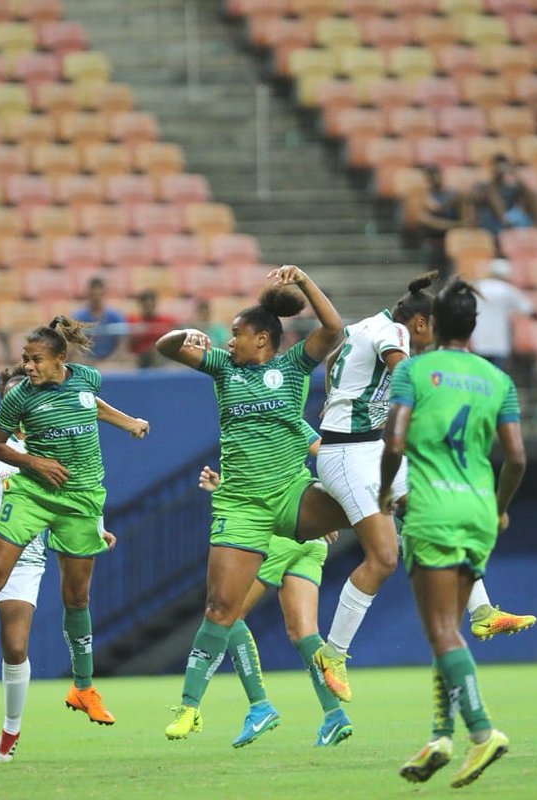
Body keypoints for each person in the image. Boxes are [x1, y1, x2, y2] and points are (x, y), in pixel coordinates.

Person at [0, 317, 150, 758]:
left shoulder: (86, 377)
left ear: (61, 359)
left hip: (82, 497)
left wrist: (129, 422)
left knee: (77, 597)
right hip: (34, 493)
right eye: (24, 359)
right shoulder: (20, 396)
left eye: (36, 359)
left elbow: (91, 403)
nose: (28, 366)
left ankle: (84, 688)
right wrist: (37, 464)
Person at [311, 272, 536, 704]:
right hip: (349, 455)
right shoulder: (393, 331)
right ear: (419, 323)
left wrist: (343, 401)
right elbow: (401, 370)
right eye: (430, 330)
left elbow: (334, 362)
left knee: (432, 507)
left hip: (366, 445)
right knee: (384, 557)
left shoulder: (363, 328)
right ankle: (332, 654)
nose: (430, 339)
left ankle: (483, 611)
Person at [155, 265, 348, 740]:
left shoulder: (293, 366)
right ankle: (189, 708)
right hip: (241, 504)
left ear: (263, 339)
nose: (229, 341)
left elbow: (335, 329)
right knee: (222, 608)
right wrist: (186, 333)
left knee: (369, 509)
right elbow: (166, 347)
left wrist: (303, 281)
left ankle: (320, 677)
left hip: (289, 496)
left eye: (237, 334)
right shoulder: (223, 367)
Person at [378, 279, 527, 788]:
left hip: (433, 510)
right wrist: (502, 508)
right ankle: (440, 735)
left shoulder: (416, 370)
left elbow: (393, 440)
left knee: (440, 629)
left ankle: (482, 732)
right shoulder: (497, 378)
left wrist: (382, 492)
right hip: (481, 512)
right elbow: (518, 457)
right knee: (451, 630)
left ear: (433, 323)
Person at [198, 434, 353, 749]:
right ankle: (335, 715)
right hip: (311, 539)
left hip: (279, 536)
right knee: (304, 632)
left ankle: (259, 706)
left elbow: (265, 483)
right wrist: (325, 509)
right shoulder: (285, 420)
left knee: (231, 615)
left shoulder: (266, 419)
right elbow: (324, 460)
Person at [472, 259, 537, 371]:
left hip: (479, 341)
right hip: (499, 343)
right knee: (497, 377)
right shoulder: (507, 290)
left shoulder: (478, 287)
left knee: (480, 375)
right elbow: (529, 310)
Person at [467, 154, 537, 238]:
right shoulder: (485, 186)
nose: (501, 169)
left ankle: (536, 226)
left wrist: (515, 176)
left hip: (512, 219)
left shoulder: (514, 186)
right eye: (498, 166)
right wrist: (503, 219)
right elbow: (476, 198)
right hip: (493, 222)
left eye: (504, 166)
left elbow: (531, 197)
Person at [412, 165, 466, 277]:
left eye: (436, 175)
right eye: (431, 177)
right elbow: (433, 210)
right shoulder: (424, 195)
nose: (435, 179)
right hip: (432, 241)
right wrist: (455, 225)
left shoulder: (452, 193)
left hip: (451, 239)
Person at [73, 276, 128, 364]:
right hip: (87, 362)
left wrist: (109, 362)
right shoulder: (79, 317)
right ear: (88, 295)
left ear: (104, 294)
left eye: (98, 295)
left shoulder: (116, 316)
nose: (96, 299)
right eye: (93, 295)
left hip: (112, 362)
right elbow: (75, 346)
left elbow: (122, 344)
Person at [128, 289, 179, 369]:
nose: (149, 308)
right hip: (139, 359)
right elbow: (129, 344)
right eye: (146, 305)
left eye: (151, 305)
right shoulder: (133, 322)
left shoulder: (168, 321)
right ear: (141, 305)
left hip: (163, 358)